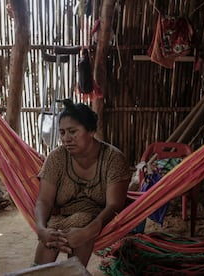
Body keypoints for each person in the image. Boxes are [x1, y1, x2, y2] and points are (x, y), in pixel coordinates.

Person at [33, 99, 131, 267]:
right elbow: (44, 200)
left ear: (91, 131)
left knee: (83, 220)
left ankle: (71, 271)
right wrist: (41, 229)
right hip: (60, 220)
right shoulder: (57, 158)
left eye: (73, 131)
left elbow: (114, 206)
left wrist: (90, 230)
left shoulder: (113, 159)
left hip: (98, 221)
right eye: (62, 133)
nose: (66, 139)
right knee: (52, 235)